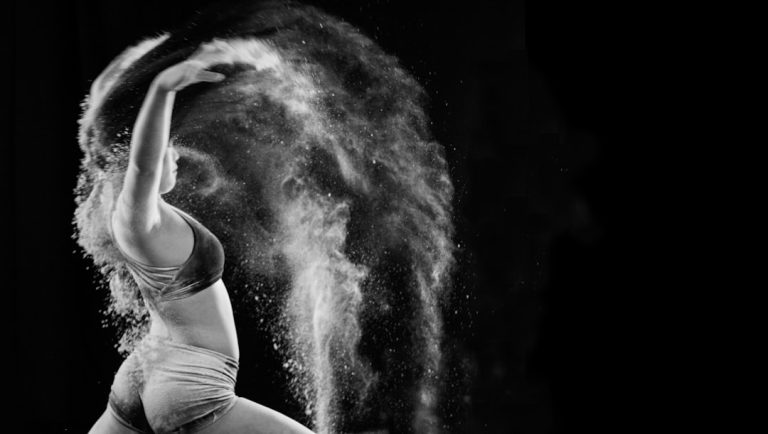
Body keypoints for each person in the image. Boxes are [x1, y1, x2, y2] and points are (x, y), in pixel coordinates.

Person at [89, 50, 316, 434]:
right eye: (164, 148)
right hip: (188, 382)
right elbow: (143, 166)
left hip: (146, 372)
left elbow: (112, 134)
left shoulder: (137, 217)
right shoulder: (139, 217)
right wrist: (163, 88)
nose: (173, 154)